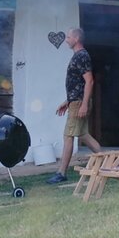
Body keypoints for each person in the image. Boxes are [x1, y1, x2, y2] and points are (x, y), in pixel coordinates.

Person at [46, 27, 102, 184]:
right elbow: (77, 84)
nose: (66, 40)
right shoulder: (78, 56)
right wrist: (67, 102)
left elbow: (89, 81)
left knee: (68, 135)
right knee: (83, 135)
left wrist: (83, 104)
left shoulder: (82, 56)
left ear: (76, 39)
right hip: (75, 102)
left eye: (68, 37)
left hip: (79, 103)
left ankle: (61, 173)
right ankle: (108, 161)